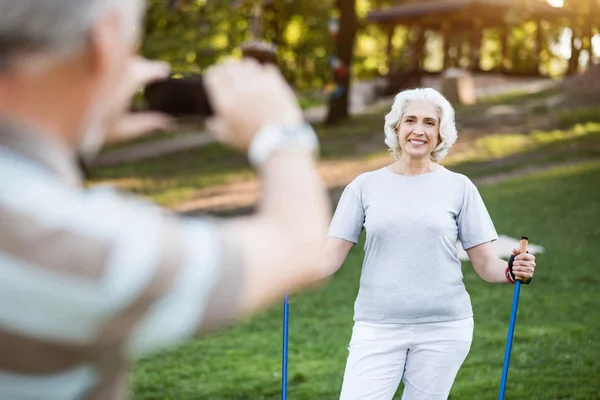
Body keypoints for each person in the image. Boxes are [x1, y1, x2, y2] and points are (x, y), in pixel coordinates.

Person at [0, 0, 331, 398]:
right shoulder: (70, 247)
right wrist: (280, 134)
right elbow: (300, 247)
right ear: (104, 41)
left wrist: (75, 128)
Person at [323, 87, 537, 400]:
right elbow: (329, 259)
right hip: (377, 325)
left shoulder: (459, 187)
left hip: (445, 327)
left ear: (440, 134)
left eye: (429, 123)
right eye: (410, 120)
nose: (418, 130)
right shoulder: (363, 187)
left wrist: (512, 270)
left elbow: (485, 263)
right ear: (396, 128)